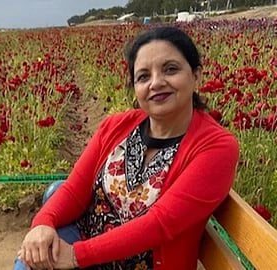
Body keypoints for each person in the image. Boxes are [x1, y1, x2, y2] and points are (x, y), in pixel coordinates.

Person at [14, 26, 239, 270]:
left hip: (130, 262)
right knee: (43, 233)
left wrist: (77, 256)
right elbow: (75, 190)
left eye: (170, 69)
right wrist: (41, 223)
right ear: (135, 88)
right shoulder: (116, 126)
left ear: (196, 76)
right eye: (143, 76)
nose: (156, 83)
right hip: (87, 247)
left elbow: (159, 224)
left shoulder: (216, 146)